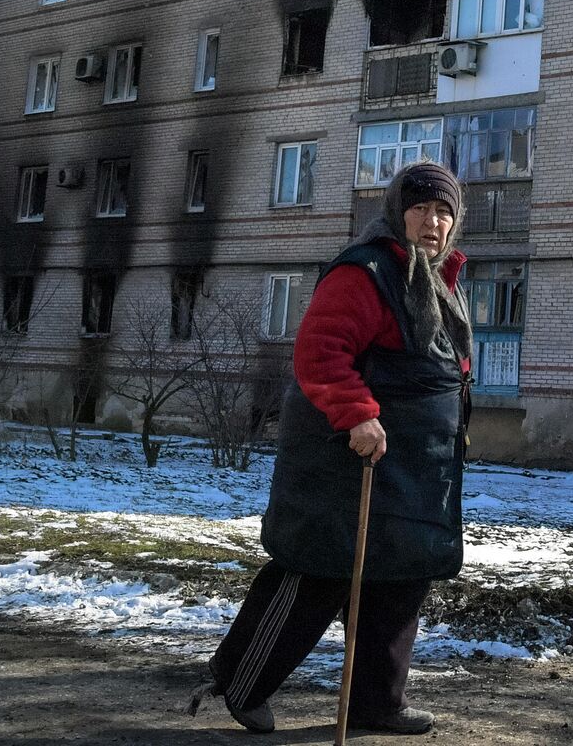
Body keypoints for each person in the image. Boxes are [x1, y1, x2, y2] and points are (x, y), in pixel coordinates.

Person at [193, 161, 472, 735]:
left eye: (444, 211)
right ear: (398, 212)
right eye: (421, 208)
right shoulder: (366, 272)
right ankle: (240, 682)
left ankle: (377, 704)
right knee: (319, 569)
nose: (433, 221)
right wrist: (358, 416)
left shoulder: (439, 283)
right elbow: (320, 354)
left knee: (398, 580)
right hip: (347, 462)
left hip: (415, 468)